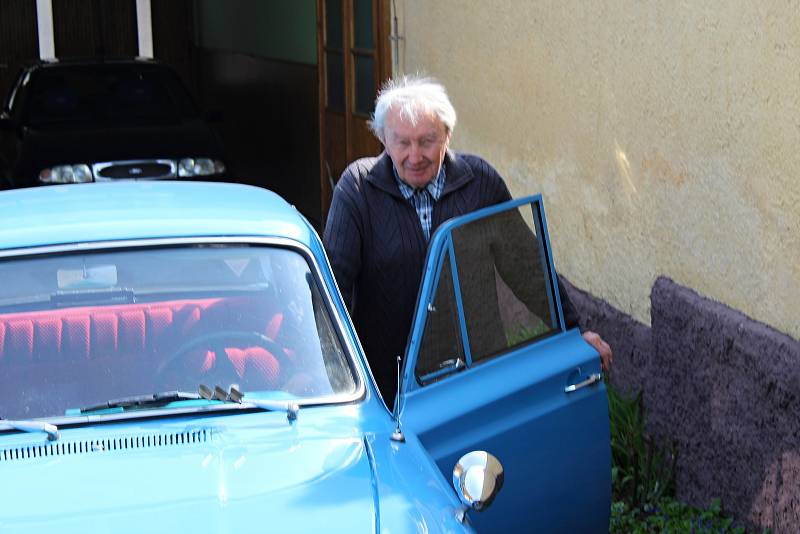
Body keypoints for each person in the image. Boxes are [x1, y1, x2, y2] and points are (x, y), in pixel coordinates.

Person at [323, 75, 612, 402]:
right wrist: (332, 373)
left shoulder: (480, 182)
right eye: (402, 142)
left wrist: (575, 332)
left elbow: (527, 267)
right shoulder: (358, 189)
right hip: (391, 388)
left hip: (476, 378)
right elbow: (334, 287)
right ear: (383, 139)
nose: (415, 156)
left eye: (427, 140)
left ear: (447, 134)